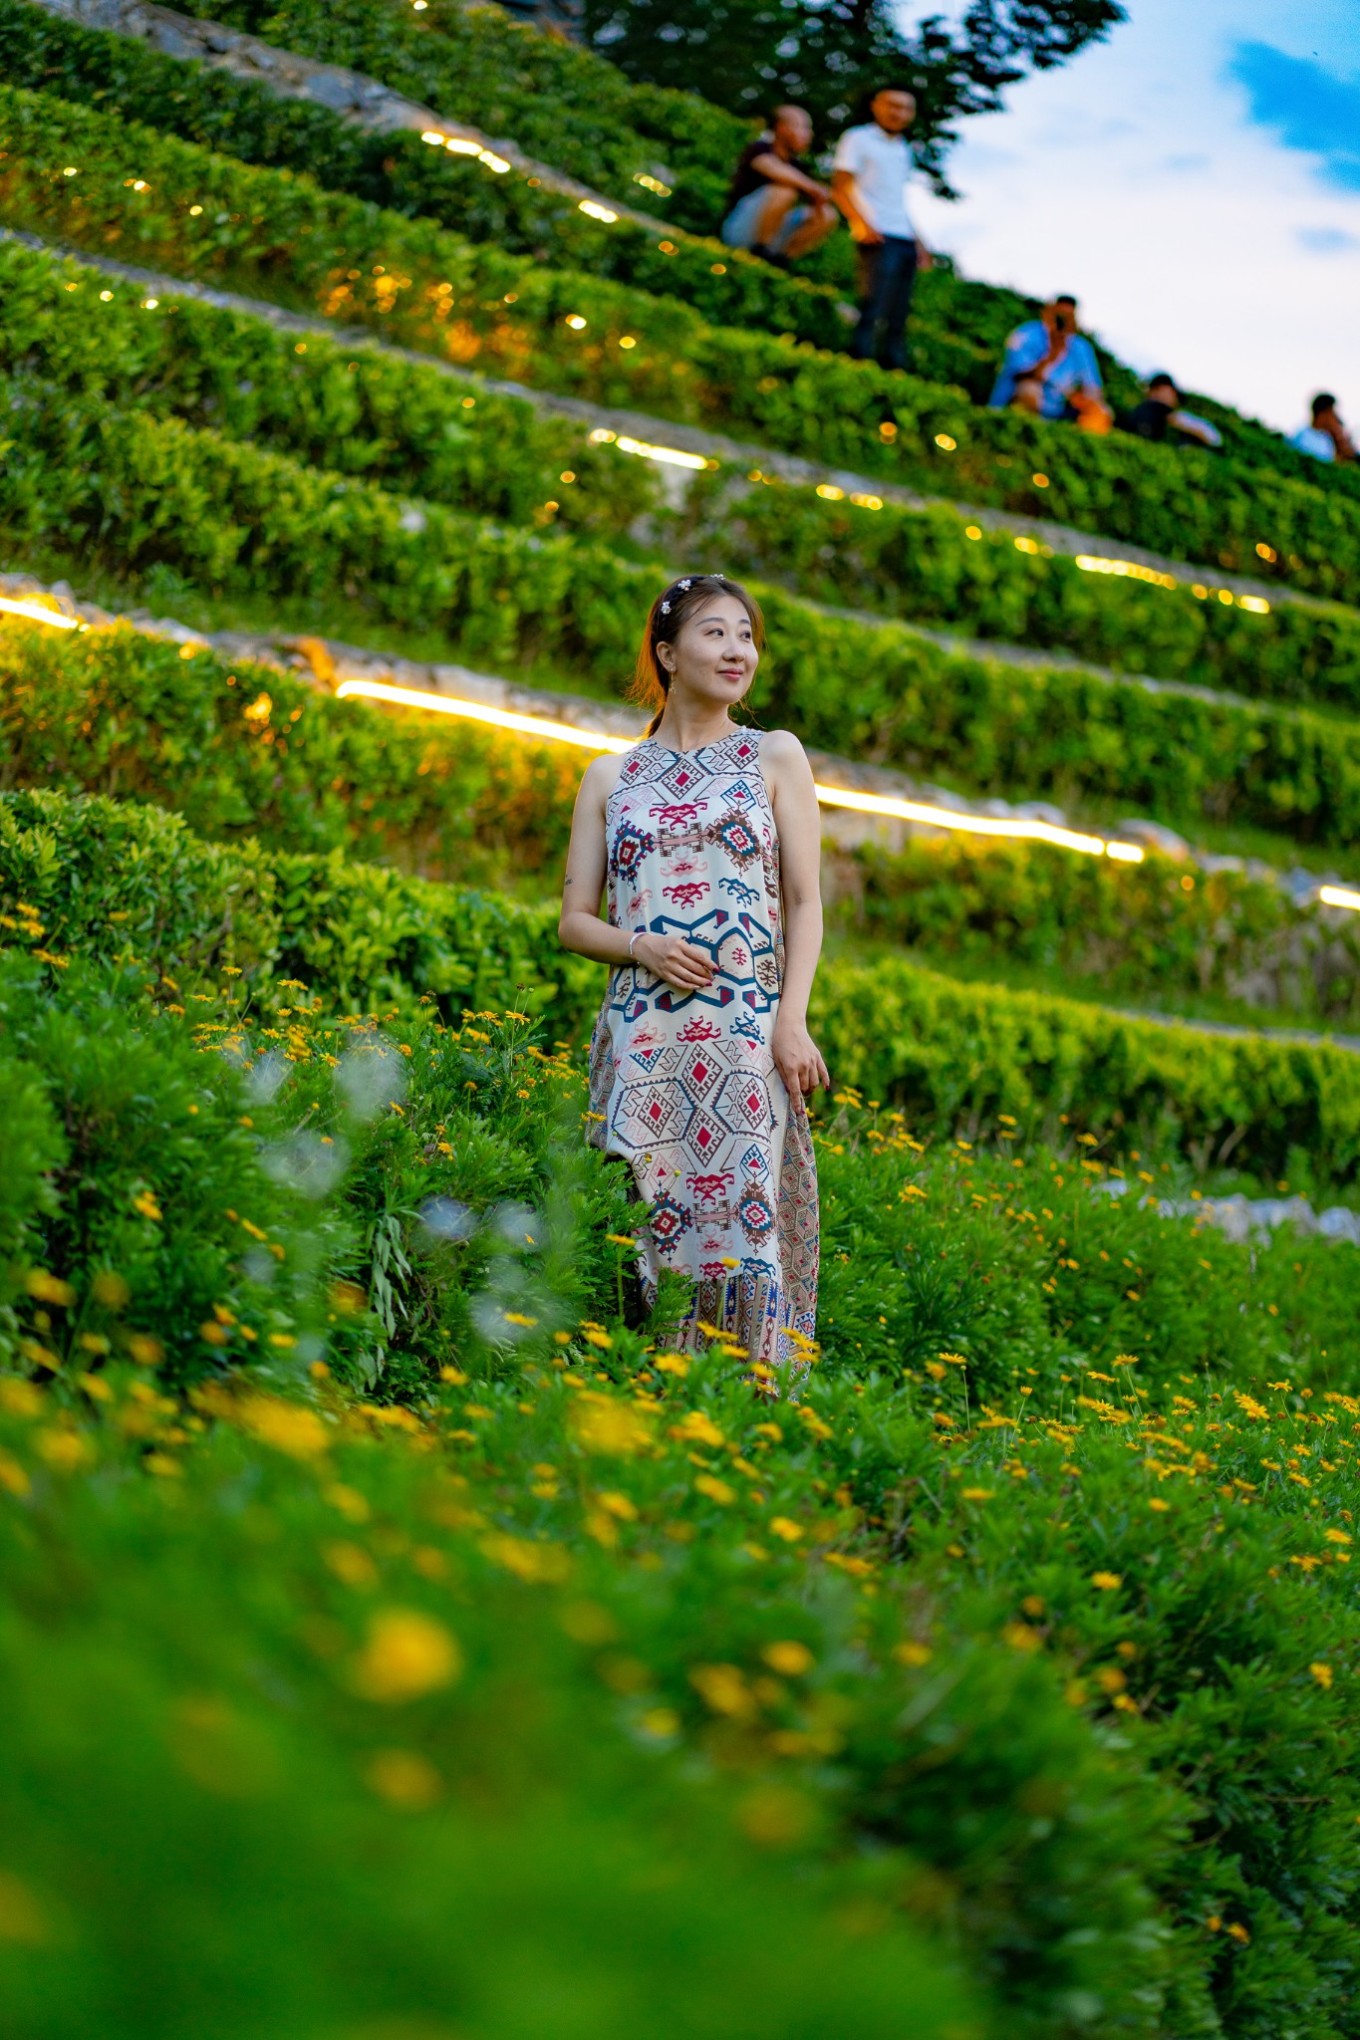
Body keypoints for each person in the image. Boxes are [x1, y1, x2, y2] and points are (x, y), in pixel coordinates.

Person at [558, 574, 826, 1375]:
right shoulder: (610, 778)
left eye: (746, 634)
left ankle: (746, 1401)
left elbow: (807, 903)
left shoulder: (772, 754)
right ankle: (637, 1390)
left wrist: (792, 1018)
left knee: (742, 1231)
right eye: (716, 633)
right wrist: (641, 947)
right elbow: (574, 921)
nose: (737, 650)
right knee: (641, 1218)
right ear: (668, 654)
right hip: (641, 1041)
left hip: (744, 1039)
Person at [831, 86, 934, 372]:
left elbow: (898, 200)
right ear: (876, 105)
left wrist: (920, 243)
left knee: (899, 312)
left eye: (905, 108)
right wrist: (861, 223)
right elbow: (840, 187)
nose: (898, 113)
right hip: (876, 234)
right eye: (892, 105)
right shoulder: (858, 138)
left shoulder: (904, 150)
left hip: (903, 237)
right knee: (871, 304)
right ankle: (857, 362)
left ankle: (892, 369)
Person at [720, 105, 838, 266]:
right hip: (738, 230)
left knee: (828, 214)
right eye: (803, 127)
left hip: (775, 235)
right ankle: (759, 251)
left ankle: (781, 261)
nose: (809, 134)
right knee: (783, 191)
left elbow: (816, 200)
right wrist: (814, 188)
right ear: (782, 127)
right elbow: (773, 169)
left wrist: (818, 201)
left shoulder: (798, 166)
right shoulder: (759, 149)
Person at [989, 295, 1109, 427]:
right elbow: (1021, 375)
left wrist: (1084, 400)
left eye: (1067, 317)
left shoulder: (1081, 347)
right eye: (1060, 316)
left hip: (1058, 409)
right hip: (1018, 398)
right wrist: (1052, 355)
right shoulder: (1027, 333)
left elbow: (1093, 388)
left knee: (1101, 412)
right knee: (1029, 390)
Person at [1116, 373, 1222, 450]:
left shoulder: (1179, 417)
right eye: (1157, 391)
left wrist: (1182, 425)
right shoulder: (1143, 409)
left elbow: (1214, 439)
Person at [1292, 392, 1355, 464]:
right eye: (1332, 414)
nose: (1334, 418)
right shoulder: (1303, 436)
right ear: (1323, 414)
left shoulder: (1326, 439)